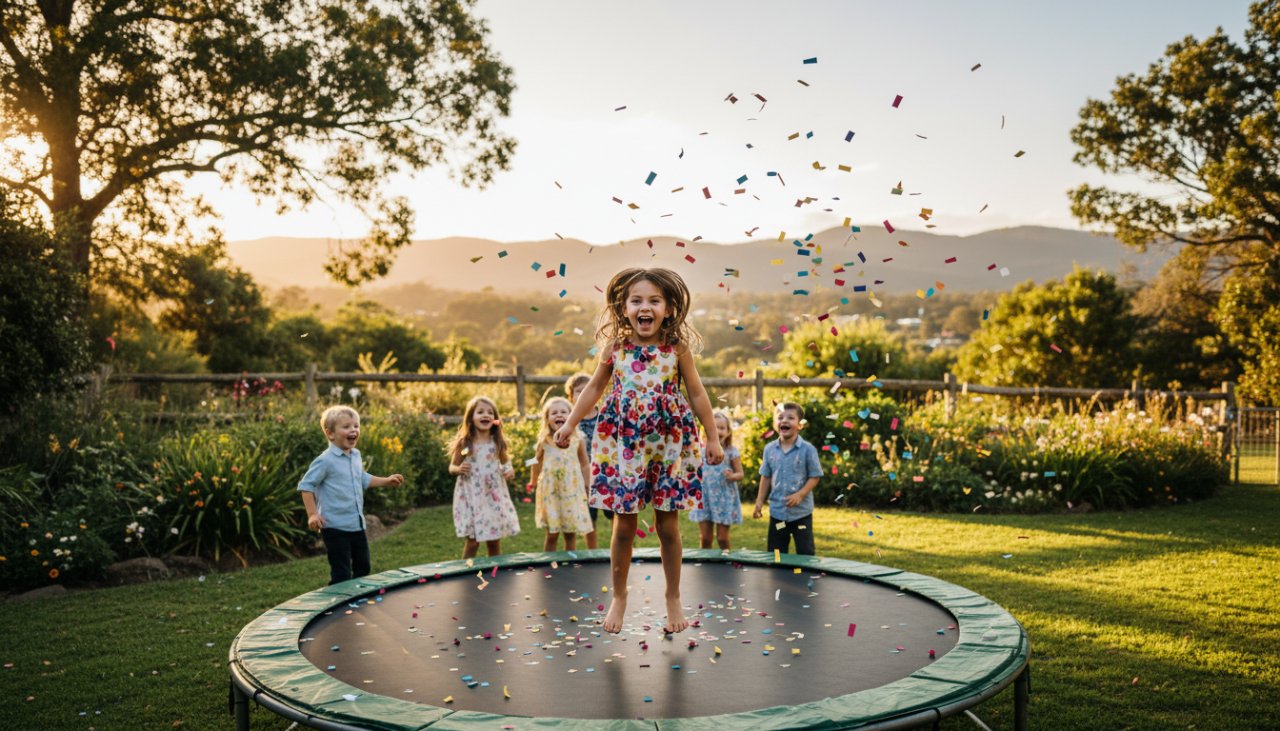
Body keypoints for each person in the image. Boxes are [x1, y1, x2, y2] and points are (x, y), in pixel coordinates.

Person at [554, 267, 723, 635]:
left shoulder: (676, 348)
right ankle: (619, 595)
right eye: (636, 300)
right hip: (625, 446)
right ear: (623, 307)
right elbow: (593, 389)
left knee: (667, 525)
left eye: (654, 301)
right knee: (624, 525)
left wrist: (712, 436)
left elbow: (697, 393)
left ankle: (673, 595)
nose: (644, 307)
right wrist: (569, 424)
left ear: (668, 308)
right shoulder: (615, 348)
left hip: (668, 445)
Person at [298, 405, 405, 585]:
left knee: (363, 568)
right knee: (342, 574)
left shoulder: (355, 455)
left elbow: (361, 478)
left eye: (356, 426)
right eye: (346, 427)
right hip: (334, 527)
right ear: (330, 433)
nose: (353, 430)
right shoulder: (325, 461)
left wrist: (386, 481)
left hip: (356, 525)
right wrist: (312, 514)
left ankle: (355, 603)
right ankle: (336, 606)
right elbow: (306, 486)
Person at [449, 395, 520, 559]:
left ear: (495, 420)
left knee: (494, 541)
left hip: (492, 498)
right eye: (480, 412)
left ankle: (494, 572)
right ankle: (465, 573)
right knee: (473, 542)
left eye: (490, 413)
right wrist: (458, 468)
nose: (485, 415)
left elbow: (506, 464)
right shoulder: (465, 443)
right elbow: (451, 467)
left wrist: (509, 470)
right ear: (471, 418)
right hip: (471, 498)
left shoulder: (498, 443)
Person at [752, 402, 822, 556]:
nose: (784, 420)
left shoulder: (808, 450)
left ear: (800, 425)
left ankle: (806, 578)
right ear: (775, 423)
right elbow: (766, 476)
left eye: (790, 417)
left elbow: (815, 476)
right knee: (776, 553)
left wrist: (800, 494)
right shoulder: (769, 449)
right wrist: (759, 502)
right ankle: (777, 579)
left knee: (805, 552)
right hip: (778, 513)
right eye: (780, 417)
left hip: (801, 514)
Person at [530, 396, 593, 551]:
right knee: (552, 533)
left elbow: (585, 463)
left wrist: (587, 484)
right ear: (547, 419)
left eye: (564, 412)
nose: (559, 415)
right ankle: (548, 566)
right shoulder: (544, 441)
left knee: (570, 533)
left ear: (572, 416)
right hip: (550, 493)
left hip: (571, 491)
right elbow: (535, 462)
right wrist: (533, 481)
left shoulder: (578, 439)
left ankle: (570, 566)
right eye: (554, 413)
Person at [688, 410, 745, 550]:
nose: (717, 431)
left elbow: (740, 474)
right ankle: (705, 566)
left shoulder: (731, 451)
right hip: (705, 498)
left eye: (721, 428)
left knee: (722, 538)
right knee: (706, 538)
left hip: (724, 498)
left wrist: (732, 476)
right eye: (714, 427)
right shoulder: (700, 450)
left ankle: (726, 562)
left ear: (728, 432)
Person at [565, 372, 608, 549]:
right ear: (571, 396)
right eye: (578, 391)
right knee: (590, 517)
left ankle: (618, 546)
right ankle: (593, 550)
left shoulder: (605, 416)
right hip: (581, 477)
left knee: (613, 514)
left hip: (605, 473)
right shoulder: (572, 422)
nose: (583, 394)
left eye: (586, 390)